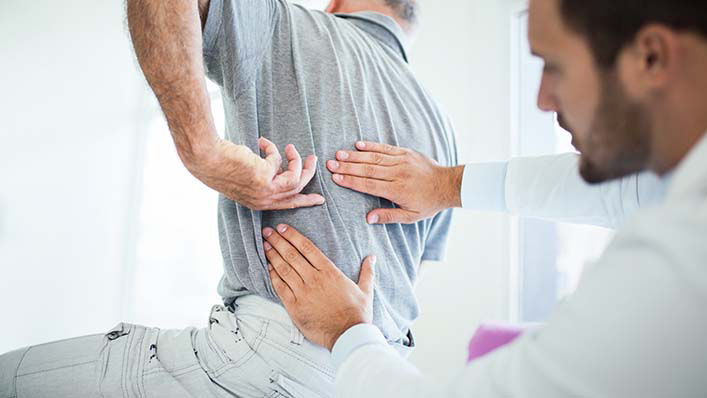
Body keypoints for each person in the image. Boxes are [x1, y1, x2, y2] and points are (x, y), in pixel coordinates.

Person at [0, 0, 461, 397]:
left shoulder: (292, 24)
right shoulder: (443, 135)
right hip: (372, 372)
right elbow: (403, 279)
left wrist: (204, 152)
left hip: (275, 358)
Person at [260, 0, 707, 396]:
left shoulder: (681, 258)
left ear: (651, 56)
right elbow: (625, 192)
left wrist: (347, 331)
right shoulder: (679, 193)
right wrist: (444, 185)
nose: (542, 100)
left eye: (554, 65)